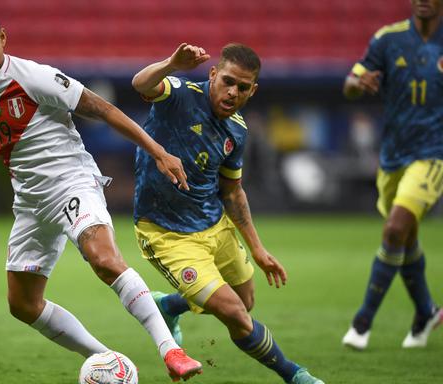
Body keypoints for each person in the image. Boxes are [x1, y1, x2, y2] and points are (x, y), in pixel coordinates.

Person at [0, 5, 203, 381]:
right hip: (30, 203)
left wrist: (158, 152)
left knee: (103, 260)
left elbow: (103, 109)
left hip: (72, 182)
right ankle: (108, 360)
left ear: (2, 38)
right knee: (23, 305)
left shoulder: (35, 77)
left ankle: (171, 351)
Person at [131, 43, 324, 384]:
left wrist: (258, 249)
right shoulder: (180, 92)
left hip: (214, 225)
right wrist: (172, 64)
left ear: (253, 90)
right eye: (228, 82)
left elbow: (232, 192)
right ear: (213, 75)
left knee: (244, 301)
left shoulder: (238, 129)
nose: (233, 92)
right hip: (168, 233)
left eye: (243, 87)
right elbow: (141, 84)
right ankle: (295, 375)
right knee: (235, 313)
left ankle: (170, 306)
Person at [341, 0, 443, 350]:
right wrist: (359, 83)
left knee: (395, 228)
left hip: (433, 154)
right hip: (393, 156)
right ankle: (426, 311)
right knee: (406, 237)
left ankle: (362, 322)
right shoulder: (388, 39)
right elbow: (350, 83)